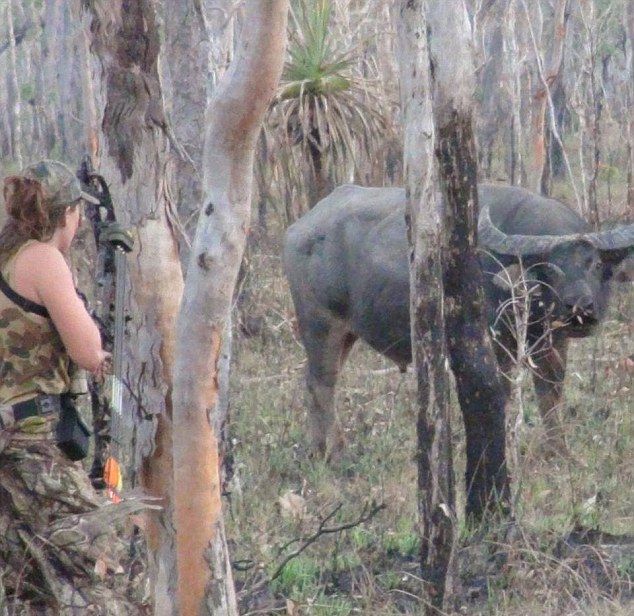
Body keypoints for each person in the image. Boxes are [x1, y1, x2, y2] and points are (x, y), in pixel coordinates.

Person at [0, 160, 148, 614]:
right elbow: (87, 350)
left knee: (27, 573)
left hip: (10, 431)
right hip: (35, 437)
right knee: (90, 557)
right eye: (78, 213)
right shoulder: (44, 260)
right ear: (66, 214)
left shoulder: (8, 254)